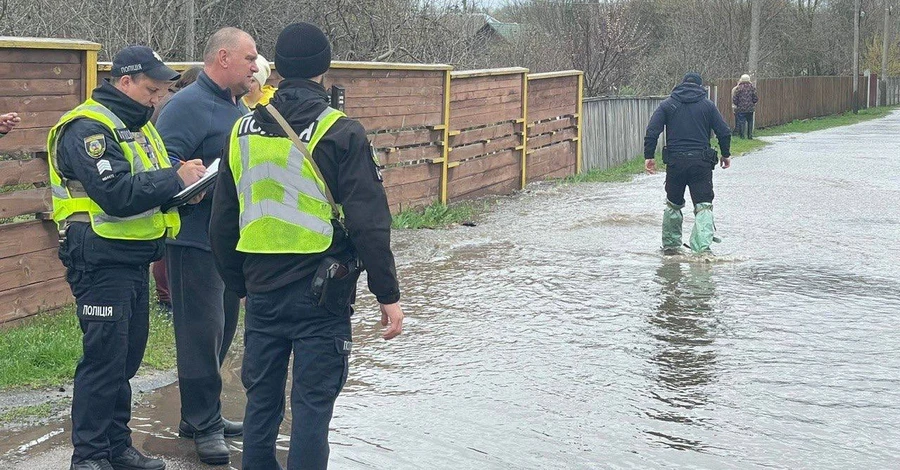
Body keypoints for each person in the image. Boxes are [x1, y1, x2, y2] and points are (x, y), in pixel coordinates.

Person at [210, 22, 405, 469]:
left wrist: (239, 282)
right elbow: (369, 224)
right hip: (323, 293)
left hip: (260, 289)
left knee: (261, 405)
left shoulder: (240, 132)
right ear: (324, 67)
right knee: (312, 409)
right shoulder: (341, 131)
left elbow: (221, 223)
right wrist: (387, 295)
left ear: (276, 68)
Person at [47, 45, 206, 470]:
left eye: (161, 91)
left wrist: (186, 190)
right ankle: (90, 456)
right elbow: (115, 194)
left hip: (132, 257)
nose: (158, 99)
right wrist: (173, 177)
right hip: (100, 258)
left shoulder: (137, 126)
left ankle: (117, 446)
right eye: (152, 89)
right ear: (125, 82)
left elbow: (150, 190)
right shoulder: (89, 128)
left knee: (126, 361)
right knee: (103, 362)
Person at [155, 27, 258, 465]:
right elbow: (163, 163)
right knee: (200, 335)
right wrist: (185, 173)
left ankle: (198, 416)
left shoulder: (236, 106)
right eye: (250, 58)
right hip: (192, 239)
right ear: (223, 58)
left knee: (223, 330)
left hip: (229, 242)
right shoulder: (185, 105)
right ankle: (205, 424)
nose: (256, 66)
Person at [643, 72, 732, 255]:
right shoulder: (708, 106)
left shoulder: (668, 104)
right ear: (701, 87)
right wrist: (725, 154)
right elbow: (724, 132)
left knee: (673, 203)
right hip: (701, 163)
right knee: (704, 205)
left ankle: (671, 246)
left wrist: (649, 156)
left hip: (675, 163)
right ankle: (702, 250)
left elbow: (652, 130)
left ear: (681, 85)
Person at [150, 66, 202, 313]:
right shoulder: (177, 105)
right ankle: (165, 297)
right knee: (167, 243)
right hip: (172, 178)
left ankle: (164, 296)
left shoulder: (167, 102)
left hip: (164, 179)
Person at [732, 74, 758, 139]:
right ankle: (750, 136)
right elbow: (755, 97)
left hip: (741, 108)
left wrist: (737, 104)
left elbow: (735, 98)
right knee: (750, 122)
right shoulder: (752, 87)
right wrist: (753, 103)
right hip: (750, 108)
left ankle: (742, 136)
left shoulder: (738, 88)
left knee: (741, 122)